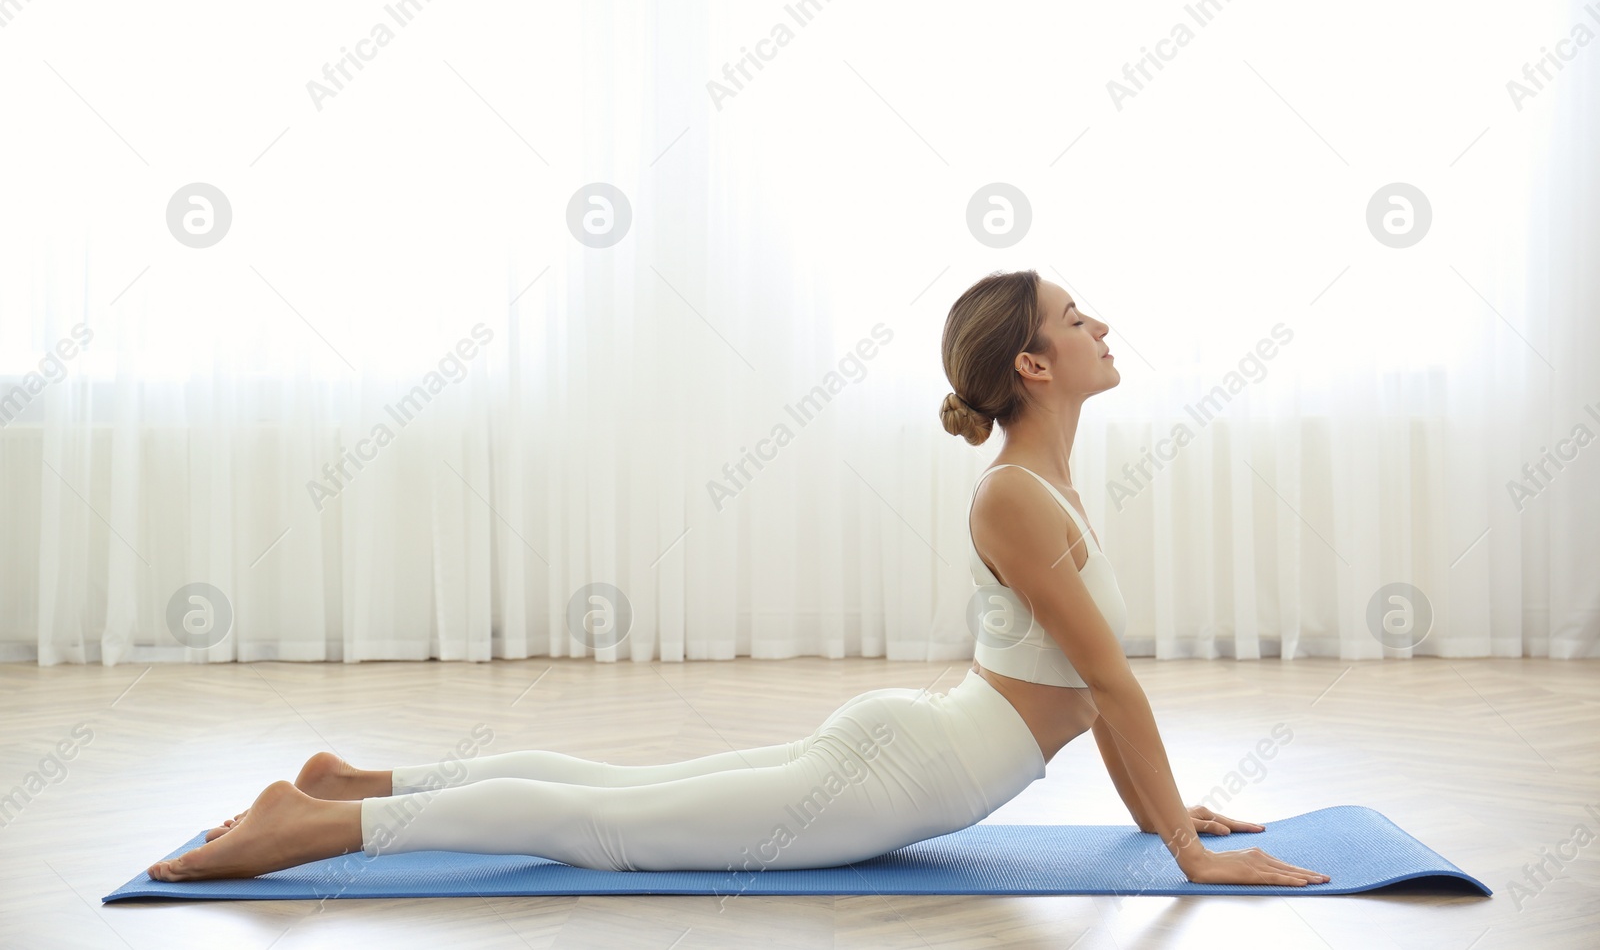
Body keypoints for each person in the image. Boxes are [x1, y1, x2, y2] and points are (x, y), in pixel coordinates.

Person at [147, 269, 1329, 888]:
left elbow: (1089, 696)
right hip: (899, 776)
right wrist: (1182, 846)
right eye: (1079, 316)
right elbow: (1108, 689)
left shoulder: (1046, 483)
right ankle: (316, 825)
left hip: (914, 750)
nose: (1101, 324)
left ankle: (352, 777)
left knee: (616, 794)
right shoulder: (1017, 493)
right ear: (1033, 361)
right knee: (603, 831)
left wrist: (1175, 810)